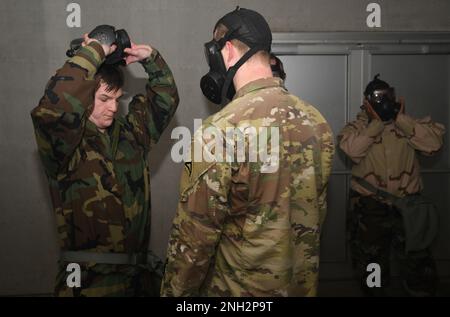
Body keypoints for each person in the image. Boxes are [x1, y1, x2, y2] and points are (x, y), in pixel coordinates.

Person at [161, 7, 334, 297]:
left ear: (227, 51)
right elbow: (316, 213)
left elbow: (194, 239)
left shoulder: (219, 130)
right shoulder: (317, 122)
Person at [31, 30, 179, 296]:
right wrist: (94, 51)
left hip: (136, 282)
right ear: (85, 97)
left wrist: (151, 59)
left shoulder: (131, 134)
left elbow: (164, 100)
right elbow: (54, 109)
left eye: (117, 99)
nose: (113, 107)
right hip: (86, 284)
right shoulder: (64, 143)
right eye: (103, 99)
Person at [338, 74, 445, 297]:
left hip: (409, 206)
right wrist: (376, 124)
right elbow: (352, 150)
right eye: (377, 98)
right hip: (370, 207)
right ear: (366, 102)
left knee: (418, 260)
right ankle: (375, 292)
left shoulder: (410, 125)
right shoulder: (356, 128)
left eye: (387, 96)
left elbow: (433, 145)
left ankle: (420, 290)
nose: (383, 100)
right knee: (372, 263)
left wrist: (401, 119)